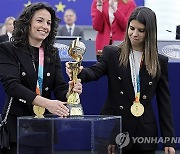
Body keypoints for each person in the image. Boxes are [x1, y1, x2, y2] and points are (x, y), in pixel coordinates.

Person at [66, 7, 176, 154]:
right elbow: (95, 71)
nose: (134, 34)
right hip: (115, 129)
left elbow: (165, 103)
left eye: (141, 31)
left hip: (145, 133)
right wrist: (79, 72)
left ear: (150, 32)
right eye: (132, 28)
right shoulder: (112, 53)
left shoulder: (159, 61)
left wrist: (169, 140)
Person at [0, 2, 82, 154]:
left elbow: (59, 89)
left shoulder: (52, 53)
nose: (45, 26)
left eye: (49, 23)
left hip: (44, 129)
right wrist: (47, 103)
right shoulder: (8, 49)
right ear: (28, 22)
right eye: (40, 20)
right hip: (16, 129)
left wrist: (71, 91)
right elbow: (12, 86)